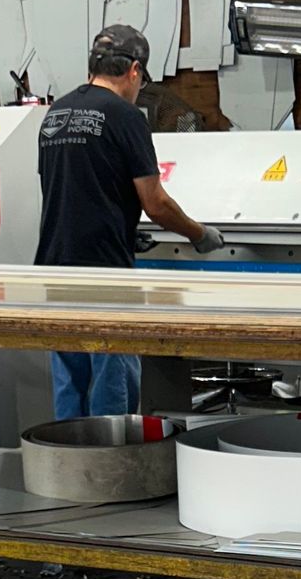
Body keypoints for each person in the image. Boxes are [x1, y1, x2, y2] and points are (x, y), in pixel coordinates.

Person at [34, 21, 221, 421]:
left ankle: (69, 452)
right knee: (112, 372)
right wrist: (200, 233)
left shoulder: (55, 113)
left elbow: (73, 187)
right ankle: (111, 452)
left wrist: (122, 227)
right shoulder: (125, 115)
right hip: (104, 272)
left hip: (53, 266)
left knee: (70, 373)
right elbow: (156, 204)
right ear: (135, 70)